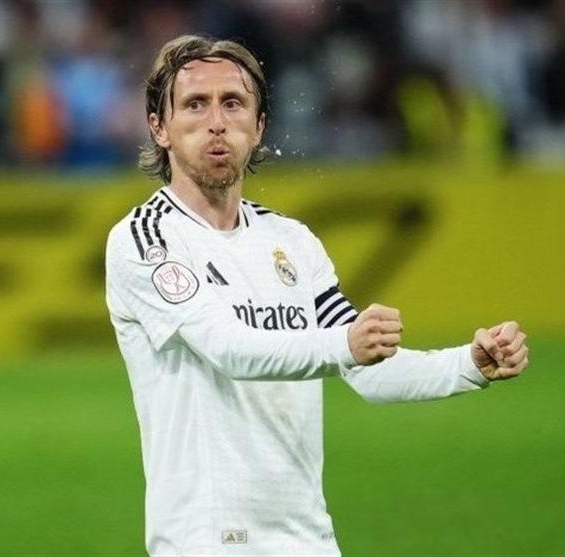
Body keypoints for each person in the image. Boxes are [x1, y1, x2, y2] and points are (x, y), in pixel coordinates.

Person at [105, 35, 529, 557]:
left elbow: (368, 372)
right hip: (208, 540)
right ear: (159, 128)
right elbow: (228, 348)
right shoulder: (146, 239)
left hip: (307, 538)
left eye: (233, 103)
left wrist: (468, 364)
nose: (216, 122)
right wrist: (343, 344)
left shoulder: (292, 242)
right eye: (195, 104)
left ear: (259, 127)